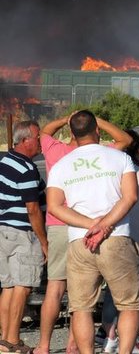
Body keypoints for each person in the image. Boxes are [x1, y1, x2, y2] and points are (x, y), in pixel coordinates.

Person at [34, 114, 132, 354]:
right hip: (106, 228)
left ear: (70, 130)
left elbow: (44, 131)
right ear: (95, 130)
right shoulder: (109, 153)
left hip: (63, 226)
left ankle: (44, 345)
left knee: (62, 292)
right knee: (112, 299)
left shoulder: (56, 154)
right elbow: (125, 139)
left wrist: (66, 119)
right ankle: (73, 345)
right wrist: (96, 119)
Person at [101, 130, 139, 354]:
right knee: (133, 301)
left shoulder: (107, 177)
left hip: (114, 243)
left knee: (112, 294)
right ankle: (133, 342)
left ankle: (109, 338)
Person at [0, 121, 47, 354]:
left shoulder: (4, 161)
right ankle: (12, 340)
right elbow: (33, 209)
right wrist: (45, 241)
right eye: (38, 137)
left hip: (3, 231)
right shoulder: (27, 168)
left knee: (8, 286)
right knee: (23, 285)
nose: (40, 142)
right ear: (26, 140)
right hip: (22, 233)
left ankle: (5, 340)